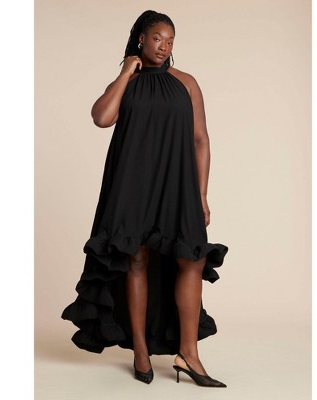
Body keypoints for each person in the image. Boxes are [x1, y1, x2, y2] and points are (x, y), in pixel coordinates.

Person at [61, 10, 228, 388]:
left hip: (177, 184)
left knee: (192, 258)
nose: (164, 46)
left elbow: (201, 140)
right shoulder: (128, 82)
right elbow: (102, 117)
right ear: (141, 39)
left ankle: (189, 355)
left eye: (170, 40)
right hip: (132, 184)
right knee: (136, 259)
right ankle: (139, 350)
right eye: (157, 38)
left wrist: (201, 194)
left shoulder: (186, 83)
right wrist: (125, 72)